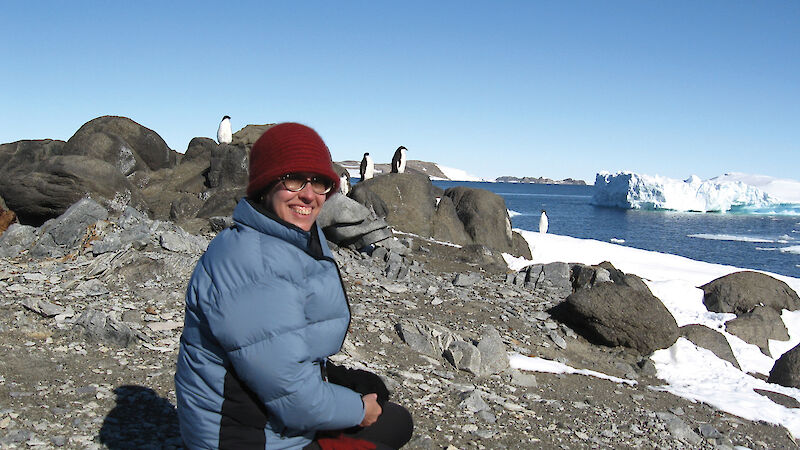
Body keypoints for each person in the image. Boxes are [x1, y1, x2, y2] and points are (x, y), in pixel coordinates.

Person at [175, 122, 413, 449]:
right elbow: (294, 397)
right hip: (246, 438)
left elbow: (280, 347)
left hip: (265, 416)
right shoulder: (249, 264)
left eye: (320, 183)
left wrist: (338, 381)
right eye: (294, 179)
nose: (309, 194)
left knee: (394, 416)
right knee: (383, 425)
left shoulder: (288, 237)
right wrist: (359, 410)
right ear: (265, 184)